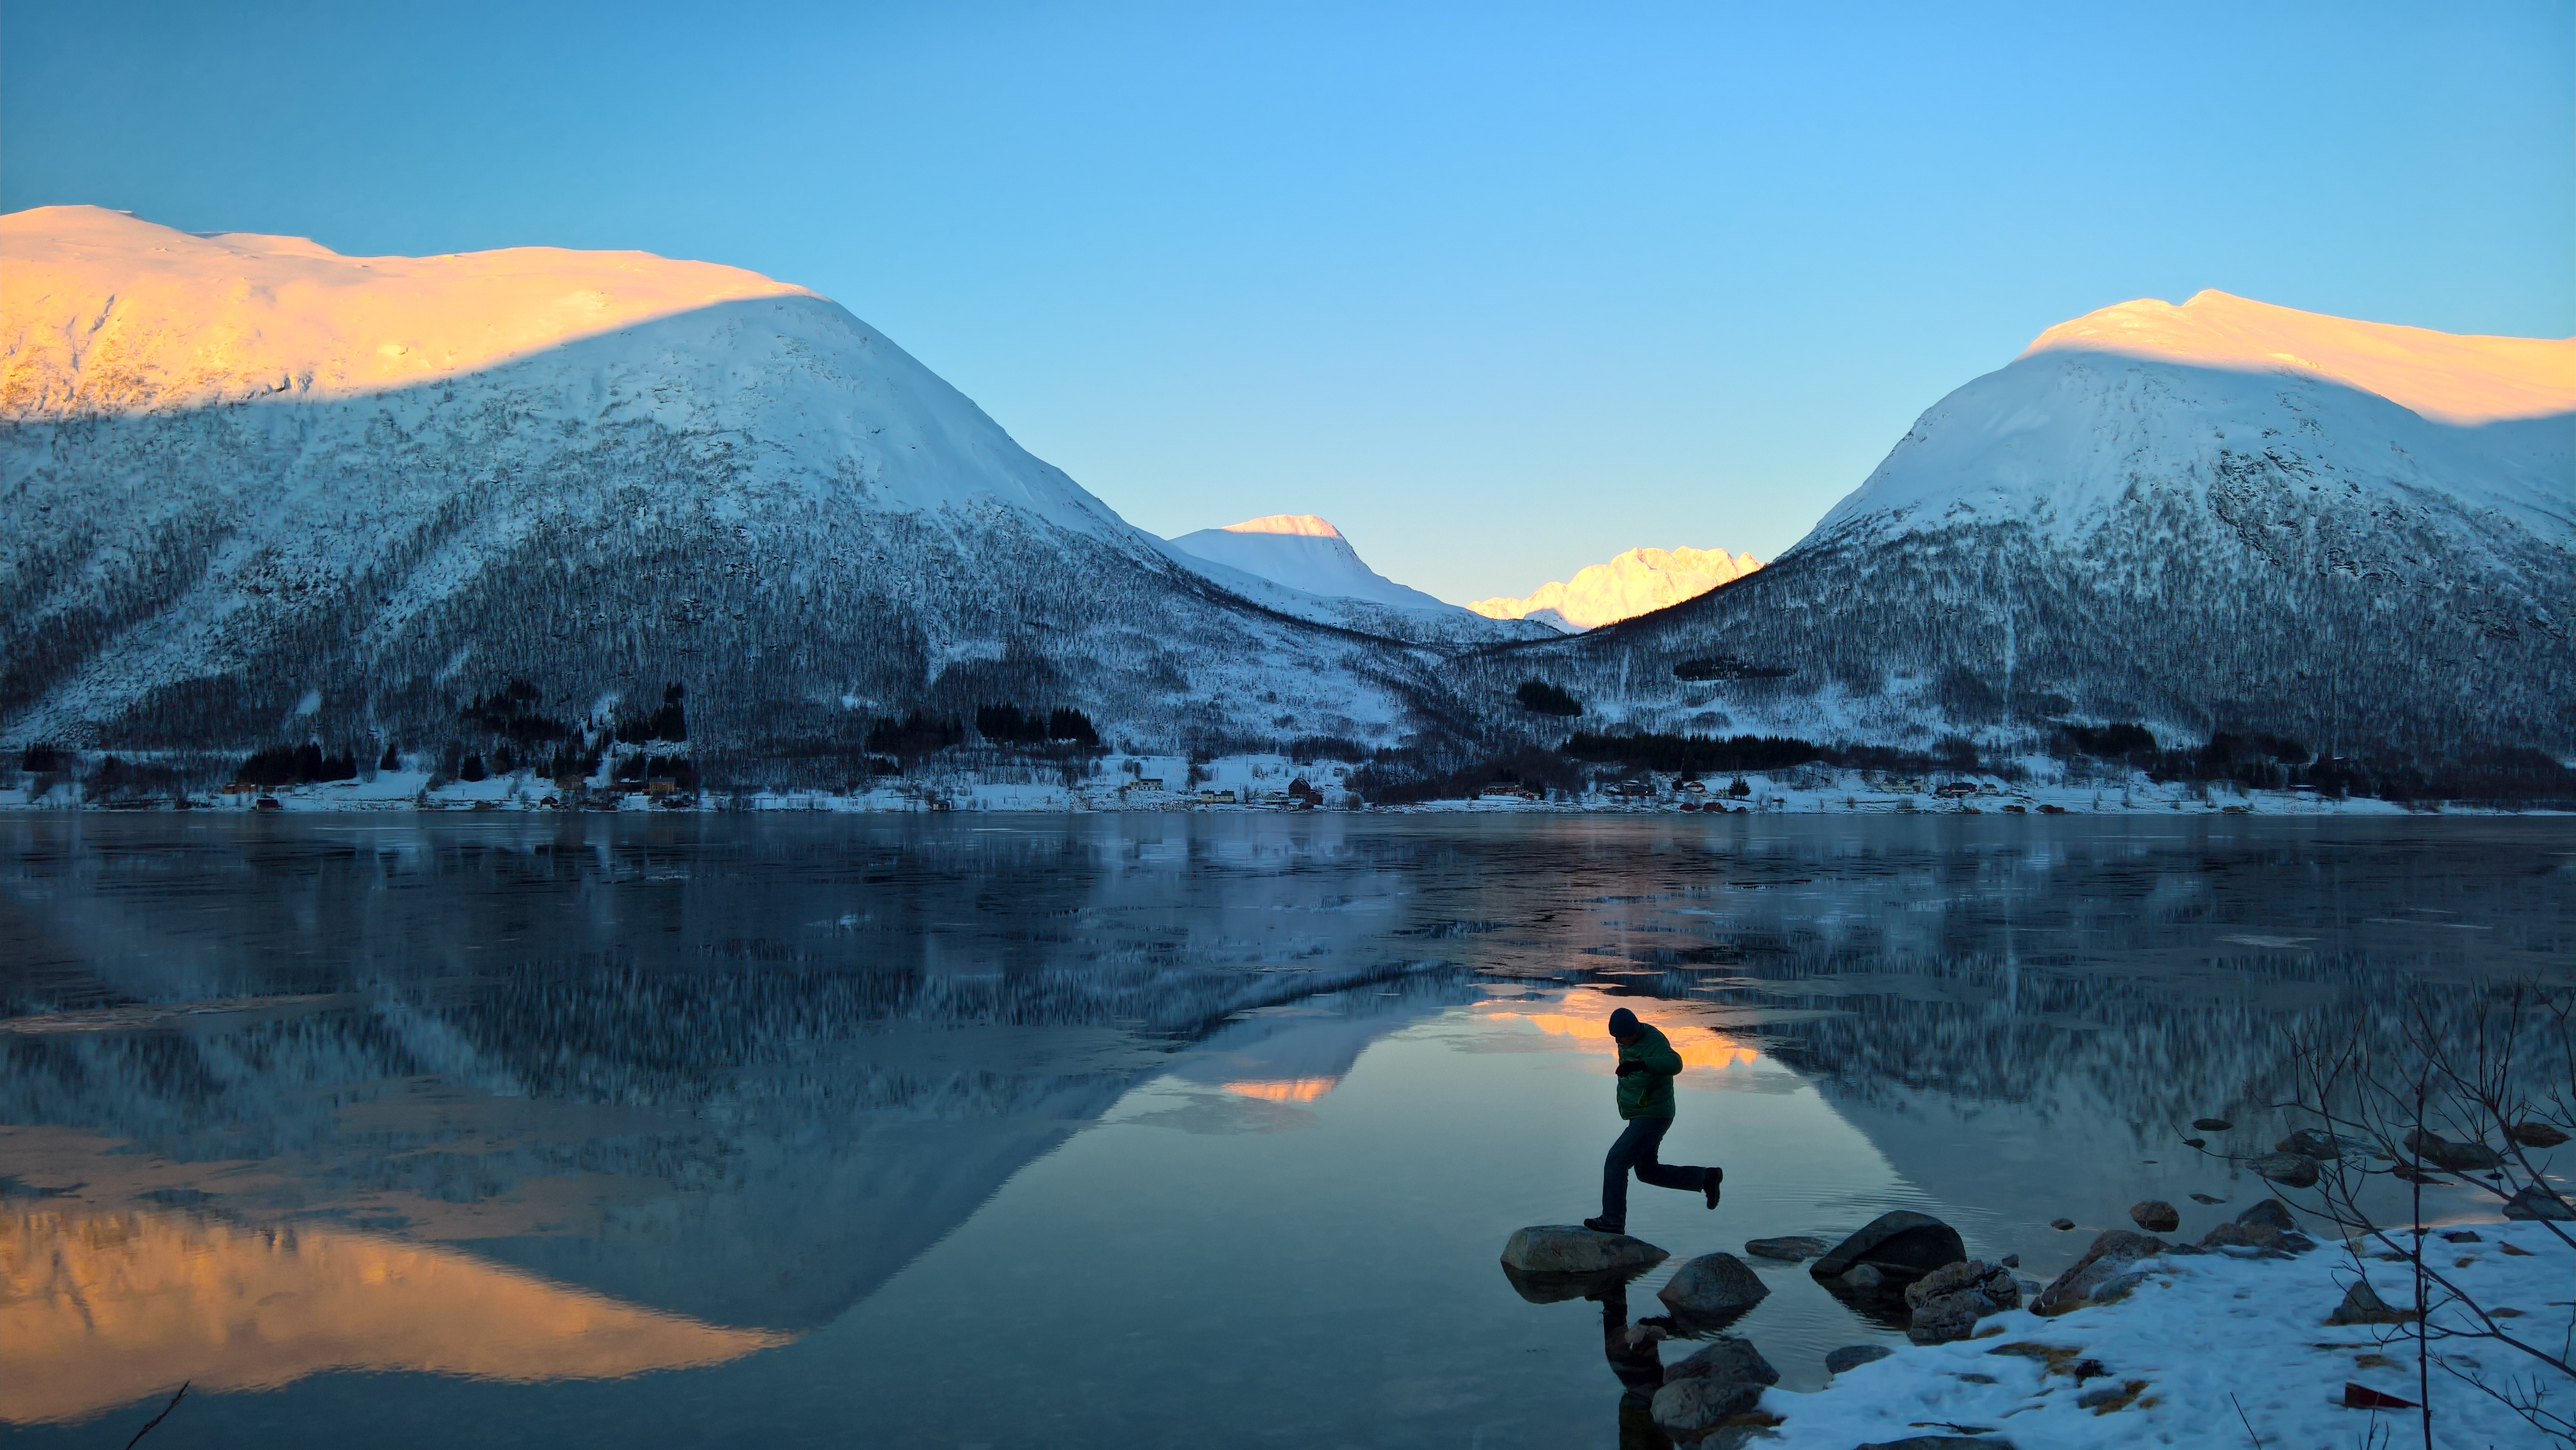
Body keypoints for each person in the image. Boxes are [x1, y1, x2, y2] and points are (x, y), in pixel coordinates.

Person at [1582, 1006, 1720, 1234]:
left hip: (1654, 1115)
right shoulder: (1627, 1039)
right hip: (1642, 1113)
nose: (1619, 1042)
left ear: (1634, 1031)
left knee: (1616, 1161)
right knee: (1646, 1171)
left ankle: (1613, 1220)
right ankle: (1706, 1178)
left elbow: (1675, 1063)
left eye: (1622, 1038)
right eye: (1616, 1038)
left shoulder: (1655, 1041)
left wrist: (1642, 1064)